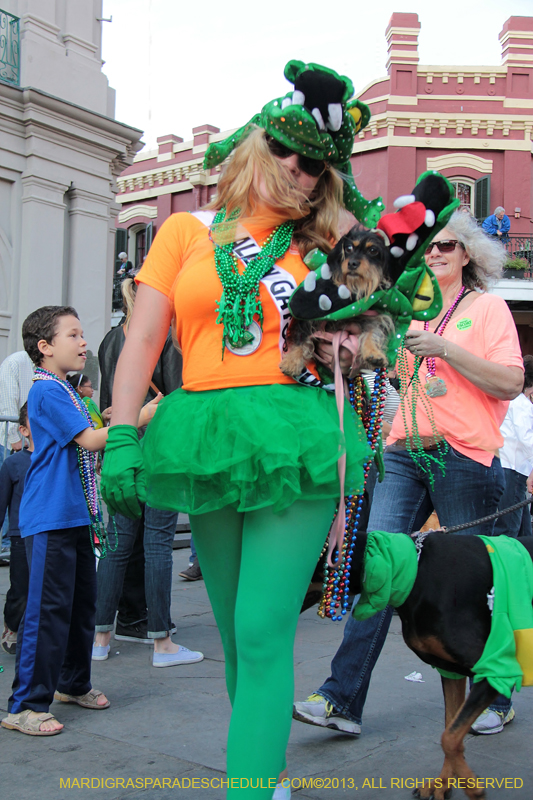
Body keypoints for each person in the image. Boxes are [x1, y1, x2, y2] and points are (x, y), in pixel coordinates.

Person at [100, 61, 381, 798]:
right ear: (256, 144)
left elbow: (378, 294)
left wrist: (338, 198)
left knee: (260, 629)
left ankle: (249, 787)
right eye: (285, 150)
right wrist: (123, 433)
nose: (298, 169)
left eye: (314, 163)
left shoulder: (321, 242)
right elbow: (140, 340)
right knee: (232, 634)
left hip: (295, 431)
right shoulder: (184, 230)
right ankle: (270, 768)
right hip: (207, 433)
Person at [293, 210, 523, 738]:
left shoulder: (487, 309)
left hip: (463, 456)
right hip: (401, 452)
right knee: (378, 571)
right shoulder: (408, 313)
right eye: (430, 247)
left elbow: (510, 382)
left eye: (446, 245)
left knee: (476, 587)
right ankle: (340, 698)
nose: (435, 253)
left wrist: (446, 349)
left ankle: (497, 692)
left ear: (468, 254)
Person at [1, 305, 159, 736]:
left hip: (74, 514)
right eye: (73, 335)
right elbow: (89, 440)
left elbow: (85, 438)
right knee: (48, 611)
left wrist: (114, 418)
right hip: (50, 514)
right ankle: (25, 705)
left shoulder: (68, 390)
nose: (84, 342)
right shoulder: (46, 390)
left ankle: (72, 683)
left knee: (79, 606)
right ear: (45, 347)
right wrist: (139, 416)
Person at [92, 276, 197, 664]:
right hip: (159, 450)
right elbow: (178, 399)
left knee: (117, 548)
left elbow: (106, 401)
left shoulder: (111, 337)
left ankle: (100, 639)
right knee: (156, 547)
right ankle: (161, 642)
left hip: (121, 446)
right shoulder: (166, 338)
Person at [0, 403, 33, 655]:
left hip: (48, 535)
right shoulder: (13, 464)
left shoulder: (56, 459)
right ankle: (12, 625)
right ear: (23, 430)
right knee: (20, 588)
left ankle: (34, 632)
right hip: (21, 537)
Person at [0, 350, 34, 559]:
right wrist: (16, 442)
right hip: (13, 441)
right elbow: (7, 401)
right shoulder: (15, 362)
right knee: (9, 494)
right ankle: (6, 544)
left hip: (28, 441)